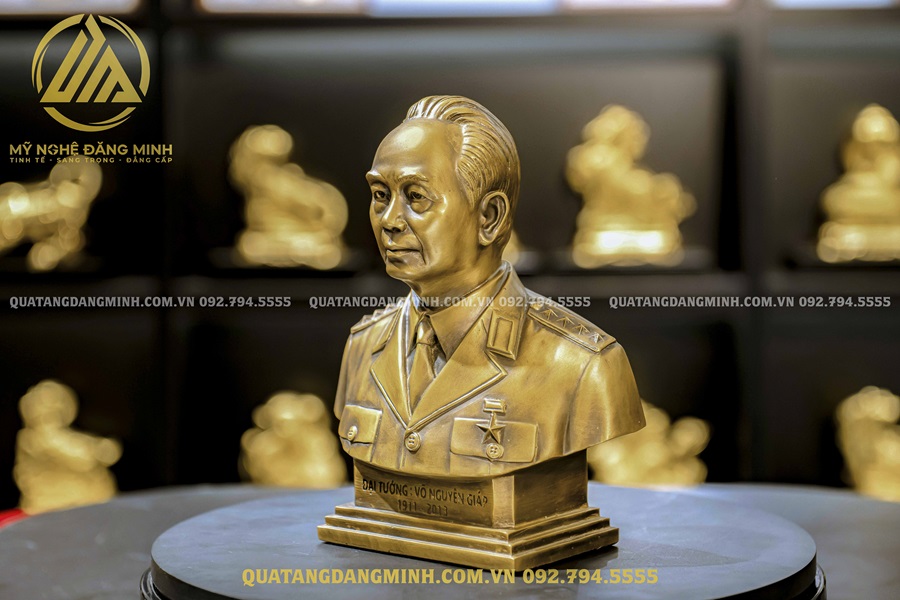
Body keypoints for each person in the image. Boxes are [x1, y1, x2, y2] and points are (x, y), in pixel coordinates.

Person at [334, 95, 644, 478]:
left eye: (416, 197)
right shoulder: (363, 345)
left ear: (489, 217)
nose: (390, 220)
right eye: (381, 195)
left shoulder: (583, 365)